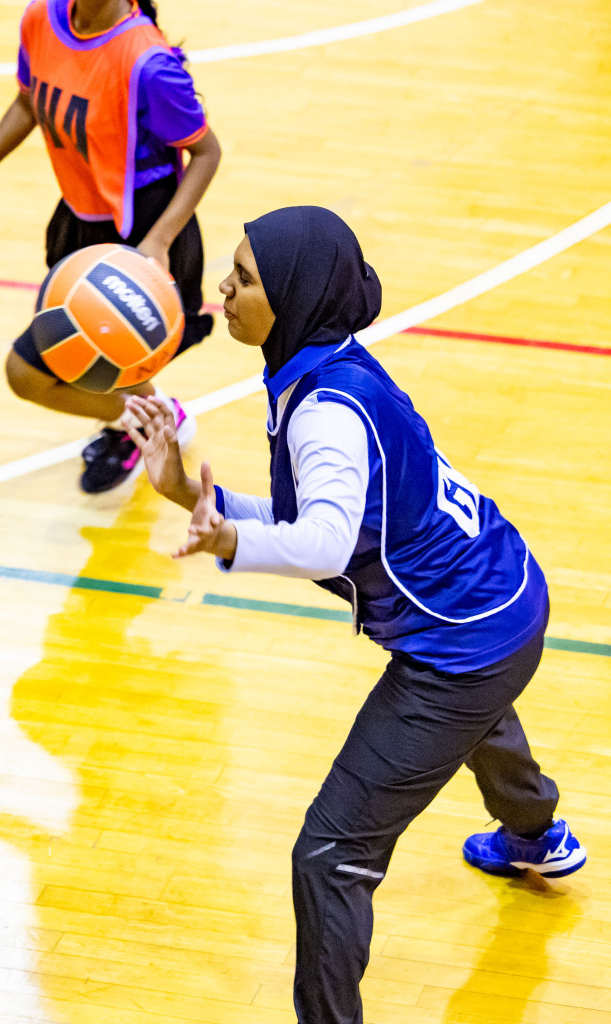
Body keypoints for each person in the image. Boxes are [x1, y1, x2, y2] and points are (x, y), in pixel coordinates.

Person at [124, 205, 585, 1023]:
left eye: (244, 278)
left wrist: (230, 540)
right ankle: (537, 835)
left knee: (330, 855)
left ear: (294, 295)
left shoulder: (325, 410)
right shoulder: (326, 364)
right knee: (478, 717)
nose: (223, 288)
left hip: (463, 641)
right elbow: (318, 513)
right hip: (499, 598)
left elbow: (326, 544)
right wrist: (190, 492)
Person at [0, 0, 220, 493]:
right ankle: (147, 418)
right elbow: (29, 100)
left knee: (34, 371)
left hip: (145, 231)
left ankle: (153, 423)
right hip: (82, 222)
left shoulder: (148, 64)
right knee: (88, 359)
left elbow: (207, 152)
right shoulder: (42, 18)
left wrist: (159, 240)